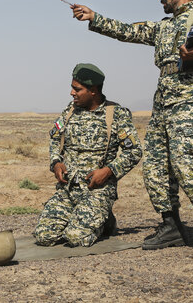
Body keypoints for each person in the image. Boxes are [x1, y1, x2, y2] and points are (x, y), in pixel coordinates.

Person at [70, 0, 193, 249]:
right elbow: (128, 31)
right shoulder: (164, 26)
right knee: (156, 165)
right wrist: (94, 18)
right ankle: (170, 226)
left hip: (187, 96)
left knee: (184, 160)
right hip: (162, 100)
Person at [33, 63, 142, 247]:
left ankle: (105, 221)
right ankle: (83, 216)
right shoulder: (69, 111)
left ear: (93, 91)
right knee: (44, 237)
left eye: (77, 89)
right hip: (68, 189)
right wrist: (56, 162)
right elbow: (54, 138)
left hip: (96, 191)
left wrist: (108, 171)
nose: (71, 93)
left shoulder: (116, 114)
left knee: (75, 237)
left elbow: (134, 151)